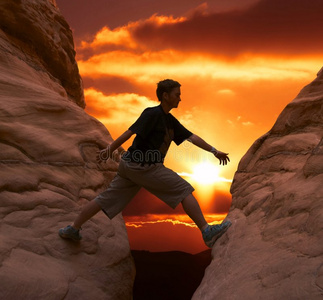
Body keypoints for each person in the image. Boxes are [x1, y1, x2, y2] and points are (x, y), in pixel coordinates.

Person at [59, 79, 231, 248]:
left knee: (105, 198)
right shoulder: (152, 114)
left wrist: (214, 151)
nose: (180, 98)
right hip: (143, 167)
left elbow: (192, 137)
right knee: (184, 190)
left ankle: (73, 228)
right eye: (177, 94)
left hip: (130, 167)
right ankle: (206, 231)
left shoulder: (170, 121)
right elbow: (130, 132)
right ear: (165, 96)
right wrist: (109, 149)